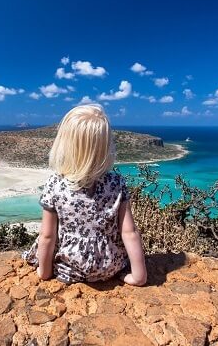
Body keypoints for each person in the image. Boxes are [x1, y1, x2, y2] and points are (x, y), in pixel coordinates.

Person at [22, 104, 147, 286]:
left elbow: (47, 236)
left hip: (70, 268)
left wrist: (44, 271)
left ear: (64, 145)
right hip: (109, 266)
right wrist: (139, 276)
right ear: (106, 147)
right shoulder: (116, 182)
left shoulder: (55, 184)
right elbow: (129, 232)